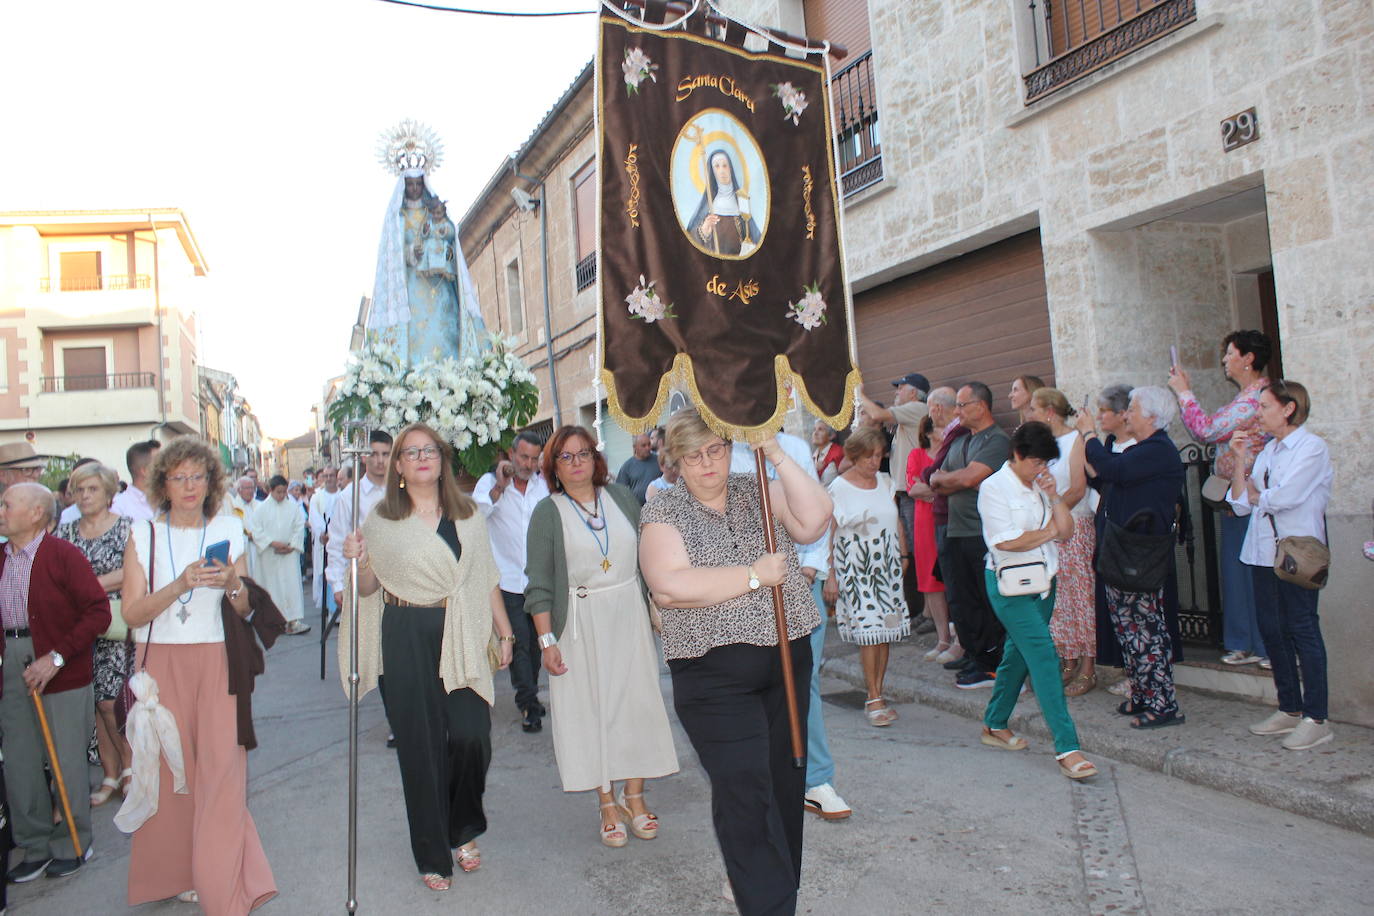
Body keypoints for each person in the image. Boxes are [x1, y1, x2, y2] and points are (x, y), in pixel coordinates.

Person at [639, 408, 832, 916]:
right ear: (675, 460)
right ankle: (768, 905)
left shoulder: (759, 490)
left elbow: (814, 520)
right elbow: (669, 585)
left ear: (731, 449)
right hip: (713, 678)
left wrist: (774, 452)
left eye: (716, 451)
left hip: (787, 659)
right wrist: (751, 575)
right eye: (693, 456)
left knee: (785, 784)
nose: (707, 465)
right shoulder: (665, 510)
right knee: (745, 789)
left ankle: (769, 887)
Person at [339, 423, 515, 892]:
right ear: (397, 466)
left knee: (472, 736)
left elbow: (486, 576)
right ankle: (433, 851)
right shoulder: (380, 522)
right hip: (406, 633)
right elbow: (368, 588)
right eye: (410, 452)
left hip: (461, 630)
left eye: (429, 450)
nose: (421, 457)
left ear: (442, 460)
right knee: (420, 748)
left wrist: (504, 630)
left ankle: (462, 825)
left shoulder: (469, 515)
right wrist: (358, 560)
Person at [119, 436, 276, 911]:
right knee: (170, 775)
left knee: (222, 772)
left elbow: (247, 607)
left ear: (211, 481)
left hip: (218, 662)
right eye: (178, 476)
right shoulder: (142, 534)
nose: (189, 486)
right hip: (163, 662)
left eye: (198, 476)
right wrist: (180, 584)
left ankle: (224, 889)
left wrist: (232, 584)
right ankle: (174, 873)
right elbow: (132, 613)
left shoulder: (229, 525)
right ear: (162, 483)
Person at [524, 426, 679, 846]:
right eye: (566, 457)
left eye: (583, 454)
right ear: (553, 466)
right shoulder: (547, 513)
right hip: (579, 621)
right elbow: (538, 584)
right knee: (589, 710)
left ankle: (635, 795)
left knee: (636, 704)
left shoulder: (623, 498)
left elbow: (649, 554)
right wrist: (545, 642)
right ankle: (607, 801)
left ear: (596, 459)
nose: (576, 463)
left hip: (627, 612)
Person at [729, 431, 850, 822]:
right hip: (742, 587)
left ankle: (816, 779)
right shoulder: (719, 448)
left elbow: (815, 507)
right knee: (749, 681)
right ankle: (761, 775)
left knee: (804, 678)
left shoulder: (793, 446)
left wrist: (813, 565)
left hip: (798, 579)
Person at [0, 482, 110, 882]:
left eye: (7, 504)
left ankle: (74, 843)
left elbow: (98, 612)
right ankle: (34, 844)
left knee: (65, 760)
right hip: (11, 664)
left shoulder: (63, 555)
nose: (1, 509)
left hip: (59, 666)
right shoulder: (2, 558)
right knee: (20, 760)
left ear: (35, 513)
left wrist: (57, 657)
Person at [976, 422, 1098, 779]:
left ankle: (995, 723)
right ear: (1017, 454)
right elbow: (1005, 541)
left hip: (1045, 582)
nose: (1041, 469)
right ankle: (1068, 747)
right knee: (1044, 655)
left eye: (1046, 463)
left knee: (1018, 653)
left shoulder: (1042, 484)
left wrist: (1055, 497)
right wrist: (1047, 532)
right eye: (1036, 462)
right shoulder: (993, 487)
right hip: (1008, 585)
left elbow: (1069, 530)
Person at [1228, 381, 1335, 750]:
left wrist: (1260, 495)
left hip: (1298, 554)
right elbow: (1240, 503)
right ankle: (1289, 707)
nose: (1258, 413)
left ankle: (1316, 717)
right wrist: (1241, 460)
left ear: (1289, 408)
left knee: (1302, 628)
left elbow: (1287, 497)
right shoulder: (1269, 451)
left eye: (1265, 406)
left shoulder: (1311, 447)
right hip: (1262, 551)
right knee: (1272, 630)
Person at [1076, 386, 1186, 729]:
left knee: (1147, 629)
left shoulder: (1158, 450)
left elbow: (1111, 469)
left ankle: (1163, 705)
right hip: (1124, 550)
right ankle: (1142, 695)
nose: (1127, 415)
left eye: (1133, 410)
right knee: (1128, 629)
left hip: (1142, 553)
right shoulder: (1143, 450)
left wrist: (1089, 433)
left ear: (1152, 417)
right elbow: (1108, 476)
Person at [1169, 330, 1272, 667]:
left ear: (1248, 358)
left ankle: (1263, 645)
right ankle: (1245, 642)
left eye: (1230, 353)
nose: (1225, 360)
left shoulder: (1257, 397)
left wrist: (1185, 393)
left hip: (1255, 500)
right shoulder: (1247, 396)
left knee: (1252, 571)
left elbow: (1208, 430)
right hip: (1236, 498)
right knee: (1237, 570)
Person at [55, 463, 134, 806]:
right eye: (79, 490)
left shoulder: (127, 528)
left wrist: (88, 588)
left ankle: (132, 769)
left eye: (93, 489)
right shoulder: (65, 531)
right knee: (95, 704)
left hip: (115, 624)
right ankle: (109, 774)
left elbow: (134, 570)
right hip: (77, 626)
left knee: (111, 703)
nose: (85, 496)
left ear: (108, 493)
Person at [824, 427, 909, 725]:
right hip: (856, 568)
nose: (875, 462)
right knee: (869, 635)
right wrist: (831, 574)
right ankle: (873, 698)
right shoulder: (838, 488)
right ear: (854, 455)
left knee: (884, 634)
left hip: (888, 567)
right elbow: (829, 535)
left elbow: (896, 522)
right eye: (869, 456)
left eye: (878, 455)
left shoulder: (886, 482)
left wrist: (904, 554)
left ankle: (878, 693)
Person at [930, 382, 1010, 689]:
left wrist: (954, 479)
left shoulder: (996, 440)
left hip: (980, 531)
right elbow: (938, 480)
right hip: (954, 529)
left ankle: (991, 664)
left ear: (982, 406)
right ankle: (975, 654)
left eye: (963, 405)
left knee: (984, 600)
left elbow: (970, 476)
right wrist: (953, 480)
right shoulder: (963, 441)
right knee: (961, 599)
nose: (958, 411)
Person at [474, 431, 550, 733]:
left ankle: (529, 689)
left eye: (534, 459)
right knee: (518, 642)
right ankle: (528, 703)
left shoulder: (542, 487)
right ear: (511, 454)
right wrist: (499, 488)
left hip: (537, 580)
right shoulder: (488, 482)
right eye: (523, 457)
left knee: (536, 645)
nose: (528, 464)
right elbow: (476, 517)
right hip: (505, 581)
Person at [1026, 388, 1098, 696]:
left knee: (1081, 597)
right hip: (1050, 530)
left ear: (1049, 412)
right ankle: (1067, 659)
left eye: (1033, 408)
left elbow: (1078, 488)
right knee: (1058, 600)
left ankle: (1088, 667)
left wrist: (1054, 514)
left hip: (1074, 525)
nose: (1029, 413)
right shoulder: (1045, 444)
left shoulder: (1074, 441)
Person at [858, 374, 931, 630]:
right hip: (904, 494)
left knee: (919, 553)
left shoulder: (916, 409)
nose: (896, 392)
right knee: (914, 553)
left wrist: (859, 393)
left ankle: (930, 613)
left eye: (901, 388)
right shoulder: (906, 414)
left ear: (914, 393)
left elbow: (877, 415)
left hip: (914, 494)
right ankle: (925, 611)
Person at [1087, 384, 1137, 697]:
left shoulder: (1139, 447)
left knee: (1136, 607)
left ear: (1122, 414)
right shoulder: (1108, 443)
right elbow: (1100, 478)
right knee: (1116, 604)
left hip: (1130, 535)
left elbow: (1115, 473)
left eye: (1104, 411)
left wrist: (1088, 439)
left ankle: (1141, 674)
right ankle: (1129, 668)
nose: (1100, 416)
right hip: (1107, 528)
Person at [327, 430, 394, 609]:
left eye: (386, 454)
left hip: (398, 579)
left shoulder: (401, 492)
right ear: (364, 457)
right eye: (374, 454)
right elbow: (338, 540)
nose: (380, 460)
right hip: (363, 579)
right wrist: (337, 584)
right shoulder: (349, 496)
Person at [907, 412, 954, 660]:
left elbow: (926, 487)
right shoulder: (916, 455)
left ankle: (959, 640)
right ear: (927, 432)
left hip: (948, 519)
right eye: (938, 427)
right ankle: (943, 638)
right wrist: (943, 487)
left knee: (954, 578)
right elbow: (914, 489)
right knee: (931, 582)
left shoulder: (952, 451)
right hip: (925, 524)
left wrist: (932, 487)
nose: (944, 430)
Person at [248, 476, 309, 636]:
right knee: (273, 588)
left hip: (289, 555)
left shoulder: (292, 508)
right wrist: (272, 543)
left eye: (283, 492)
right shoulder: (261, 509)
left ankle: (292, 620)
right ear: (271, 490)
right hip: (270, 555)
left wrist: (292, 545)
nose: (281, 495)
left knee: (290, 587)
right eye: (278, 492)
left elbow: (299, 527)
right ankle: (274, 622)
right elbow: (255, 530)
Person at [687, 149, 761, 256]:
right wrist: (703, 230)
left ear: (730, 168)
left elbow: (753, 236)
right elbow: (690, 239)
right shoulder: (708, 205)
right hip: (712, 265)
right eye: (717, 166)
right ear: (712, 171)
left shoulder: (741, 200)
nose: (722, 171)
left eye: (725, 165)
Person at [307, 466, 340, 615]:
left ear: (336, 477)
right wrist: (323, 533)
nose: (328, 479)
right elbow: (314, 516)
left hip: (340, 541)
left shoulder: (343, 495)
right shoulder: (317, 497)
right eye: (325, 476)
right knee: (324, 575)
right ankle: (330, 609)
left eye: (331, 475)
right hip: (324, 542)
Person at [112, 439, 161, 522]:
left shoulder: (169, 501)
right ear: (145, 471)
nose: (167, 467)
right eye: (161, 463)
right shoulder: (118, 507)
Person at [615, 433, 662, 504]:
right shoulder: (627, 466)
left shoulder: (659, 460)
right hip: (639, 508)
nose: (648, 448)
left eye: (649, 444)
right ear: (635, 447)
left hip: (660, 505)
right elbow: (620, 490)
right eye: (643, 445)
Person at [811, 420, 843, 486]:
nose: (815, 433)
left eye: (820, 430)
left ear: (831, 435)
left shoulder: (839, 452)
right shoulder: (813, 456)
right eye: (814, 429)